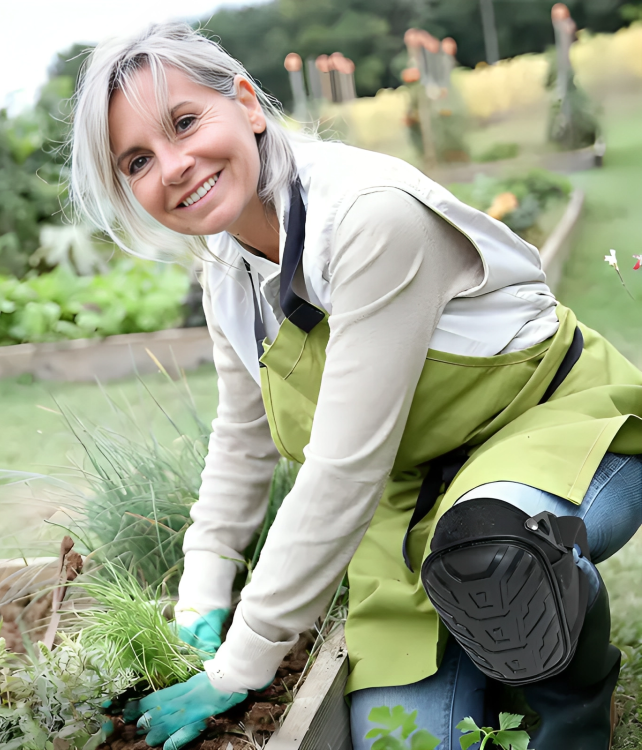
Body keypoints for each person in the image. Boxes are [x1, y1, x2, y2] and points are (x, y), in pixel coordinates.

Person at [70, 22, 642, 750]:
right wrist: (204, 587)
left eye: (184, 123)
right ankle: (505, 641)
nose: (173, 166)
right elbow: (242, 440)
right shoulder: (226, 269)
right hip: (409, 507)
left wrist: (236, 666)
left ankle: (574, 706)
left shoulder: (369, 216)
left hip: (552, 433)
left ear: (246, 103)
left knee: (495, 556)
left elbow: (344, 467)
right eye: (138, 160)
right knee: (405, 739)